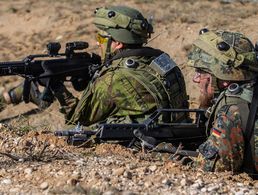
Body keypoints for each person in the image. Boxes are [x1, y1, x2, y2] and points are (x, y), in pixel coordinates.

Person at [51, 6, 189, 128]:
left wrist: (58, 88)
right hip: (178, 133)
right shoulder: (162, 62)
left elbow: (78, 120)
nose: (98, 44)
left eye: (101, 39)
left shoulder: (113, 78)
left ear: (117, 43)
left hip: (143, 145)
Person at [187, 29, 258, 177]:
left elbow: (211, 170)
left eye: (201, 72)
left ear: (223, 77)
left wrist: (164, 152)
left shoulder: (232, 111)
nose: (196, 79)